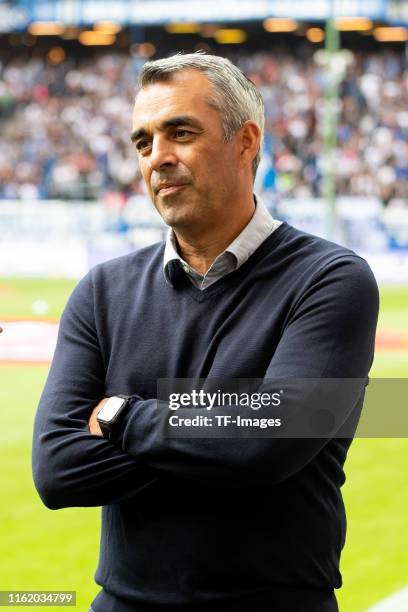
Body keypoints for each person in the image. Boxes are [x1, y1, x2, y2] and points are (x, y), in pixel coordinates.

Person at [32, 52, 379, 612]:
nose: (157, 158)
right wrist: (228, 426)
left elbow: (270, 441)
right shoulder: (101, 291)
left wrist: (123, 415)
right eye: (143, 142)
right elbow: (58, 469)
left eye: (181, 132)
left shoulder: (330, 279)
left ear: (245, 142)